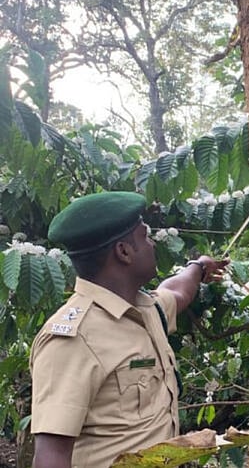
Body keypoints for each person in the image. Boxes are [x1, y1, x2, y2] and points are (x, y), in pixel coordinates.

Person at [30, 191, 228, 468]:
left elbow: (176, 292)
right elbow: (51, 457)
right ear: (123, 252)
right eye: (145, 237)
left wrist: (198, 267)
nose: (152, 244)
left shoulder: (145, 309)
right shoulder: (73, 339)